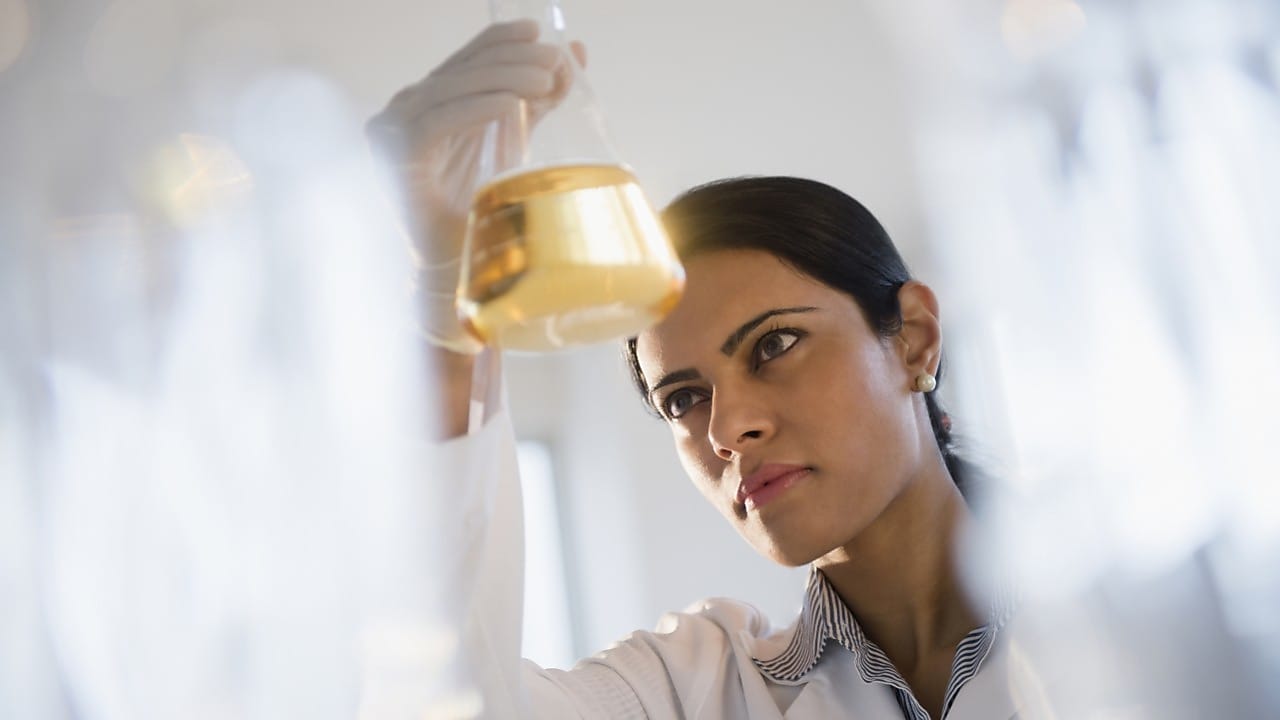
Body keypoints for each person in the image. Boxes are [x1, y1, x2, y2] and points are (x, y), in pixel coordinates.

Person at [367, 19, 1030, 720]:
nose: (727, 427)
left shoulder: (1124, 598)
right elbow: (459, 702)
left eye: (774, 345)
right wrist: (441, 315)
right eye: (683, 398)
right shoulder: (691, 691)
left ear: (915, 341)